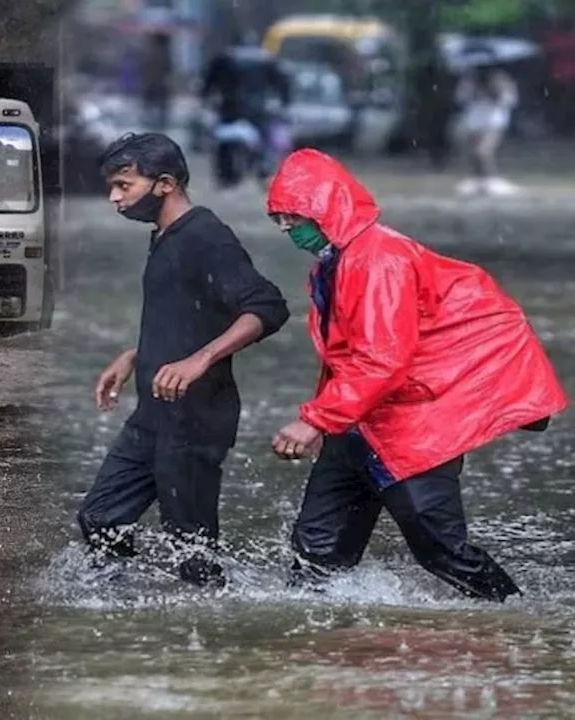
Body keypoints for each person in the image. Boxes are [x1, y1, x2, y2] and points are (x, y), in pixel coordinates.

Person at [265, 148, 568, 602]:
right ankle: (316, 653)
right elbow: (349, 356)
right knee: (314, 559)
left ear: (327, 210)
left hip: (409, 432)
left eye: (293, 217)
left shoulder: (376, 260)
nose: (288, 228)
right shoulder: (339, 262)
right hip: (357, 425)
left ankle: (520, 617)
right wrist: (327, 420)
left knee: (442, 552)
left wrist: (314, 419)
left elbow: (380, 359)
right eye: (280, 220)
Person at [76, 133, 290, 588]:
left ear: (165, 184)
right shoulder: (166, 235)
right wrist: (136, 354)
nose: (114, 199)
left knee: (190, 550)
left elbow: (267, 307)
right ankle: (121, 616)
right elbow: (190, 310)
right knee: (100, 517)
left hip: (195, 419)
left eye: (123, 185)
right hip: (153, 414)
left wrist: (199, 361)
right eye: (112, 187)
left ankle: (209, 640)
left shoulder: (205, 237)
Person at [201, 33, 292, 187]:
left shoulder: (224, 59)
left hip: (230, 107)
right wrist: (284, 102)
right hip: (257, 109)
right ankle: (263, 168)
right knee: (263, 141)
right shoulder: (265, 59)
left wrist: (205, 98)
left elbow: (209, 82)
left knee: (223, 140)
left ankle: (227, 174)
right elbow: (283, 84)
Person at [457, 67, 519, 196]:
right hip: (473, 122)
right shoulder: (469, 79)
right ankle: (479, 180)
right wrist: (471, 89)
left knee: (483, 151)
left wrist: (495, 91)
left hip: (493, 122)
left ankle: (492, 179)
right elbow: (460, 98)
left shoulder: (502, 80)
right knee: (473, 154)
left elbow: (509, 101)